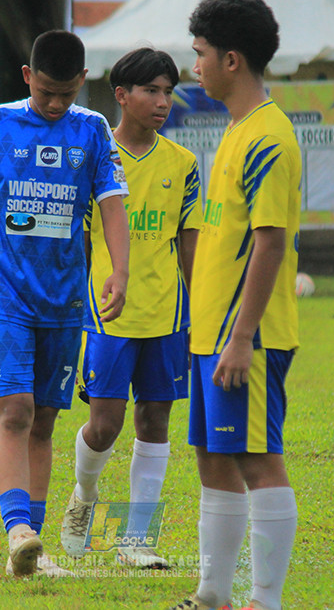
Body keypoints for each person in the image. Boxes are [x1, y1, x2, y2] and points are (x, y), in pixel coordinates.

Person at [0, 30, 130, 579]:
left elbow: (112, 203)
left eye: (65, 94)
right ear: (27, 77)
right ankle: (18, 530)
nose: (54, 103)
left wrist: (120, 270)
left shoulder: (93, 130)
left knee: (45, 421)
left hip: (65, 300)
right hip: (4, 294)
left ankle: (30, 551)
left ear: (83, 82)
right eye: (45, 92)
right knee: (16, 411)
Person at [171, 0, 302, 610]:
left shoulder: (269, 138)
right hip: (210, 335)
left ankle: (264, 603)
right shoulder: (236, 128)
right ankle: (213, 597)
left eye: (199, 53)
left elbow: (270, 244)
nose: (192, 65)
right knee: (213, 460)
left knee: (256, 459)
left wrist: (243, 336)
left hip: (243, 336)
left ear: (232, 59)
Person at [59, 48, 202, 570]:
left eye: (168, 92)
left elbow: (190, 243)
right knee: (105, 425)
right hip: (107, 315)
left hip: (167, 314)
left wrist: (200, 310)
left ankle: (136, 540)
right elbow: (78, 240)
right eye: (151, 91)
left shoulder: (183, 164)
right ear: (121, 95)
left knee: (155, 419)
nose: (163, 102)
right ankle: (84, 494)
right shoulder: (95, 159)